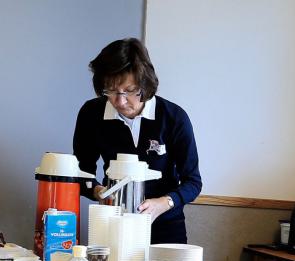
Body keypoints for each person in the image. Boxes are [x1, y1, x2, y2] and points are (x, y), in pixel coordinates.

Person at [73, 38, 202, 244]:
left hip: (166, 226)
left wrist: (164, 203)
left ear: (145, 83)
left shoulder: (173, 117)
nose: (120, 101)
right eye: (111, 91)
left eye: (130, 90)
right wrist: (98, 191)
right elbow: (81, 174)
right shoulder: (92, 114)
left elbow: (193, 182)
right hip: (114, 226)